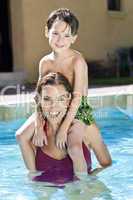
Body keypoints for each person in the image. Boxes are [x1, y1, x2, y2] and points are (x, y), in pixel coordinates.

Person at [16, 8, 112, 177]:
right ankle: (34, 176)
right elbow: (39, 96)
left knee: (74, 148)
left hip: (78, 109)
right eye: (56, 33)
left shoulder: (77, 62)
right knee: (21, 135)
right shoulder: (45, 62)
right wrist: (39, 126)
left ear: (74, 38)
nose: (60, 40)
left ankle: (82, 186)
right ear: (47, 32)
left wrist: (63, 129)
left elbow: (77, 98)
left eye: (67, 35)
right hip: (52, 105)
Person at [17, 72, 111, 185]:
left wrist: (90, 180)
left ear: (68, 99)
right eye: (47, 99)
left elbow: (106, 164)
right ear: (39, 101)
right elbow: (33, 178)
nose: (53, 106)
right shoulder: (32, 136)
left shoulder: (85, 129)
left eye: (61, 99)